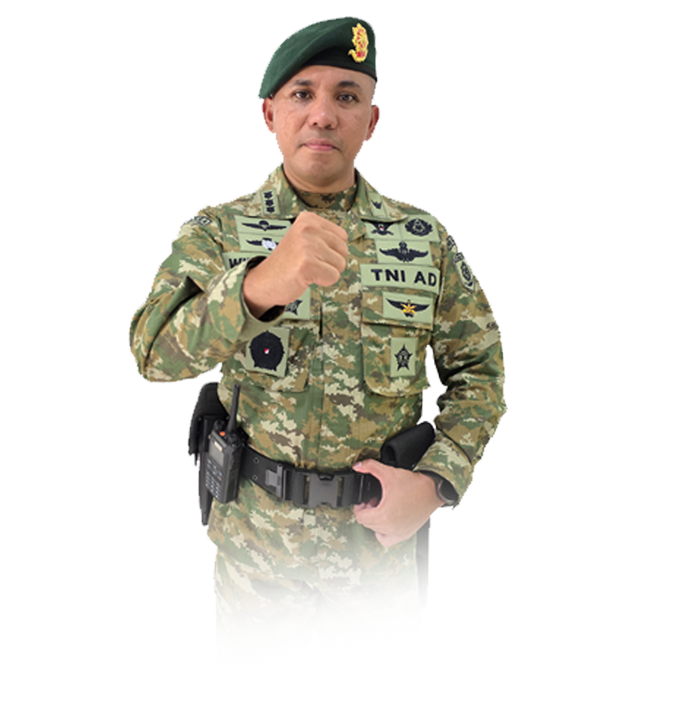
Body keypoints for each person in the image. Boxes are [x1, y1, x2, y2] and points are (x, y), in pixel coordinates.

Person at [129, 17, 506, 719]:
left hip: (377, 552)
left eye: (347, 95)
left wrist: (435, 485)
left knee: (379, 708)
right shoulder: (217, 234)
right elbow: (153, 353)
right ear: (269, 114)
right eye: (302, 93)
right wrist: (256, 288)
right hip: (256, 551)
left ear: (373, 120)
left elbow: (481, 371)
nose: (323, 114)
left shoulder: (424, 242)